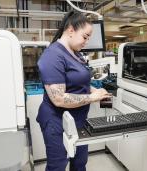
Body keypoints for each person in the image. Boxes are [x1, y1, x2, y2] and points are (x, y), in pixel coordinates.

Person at [37, 11, 112, 171]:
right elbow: (59, 99)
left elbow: (80, 81)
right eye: (85, 37)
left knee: (79, 163)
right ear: (71, 30)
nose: (86, 42)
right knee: (57, 166)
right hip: (57, 121)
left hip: (78, 119)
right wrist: (92, 97)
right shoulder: (53, 56)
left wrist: (97, 91)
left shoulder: (76, 54)